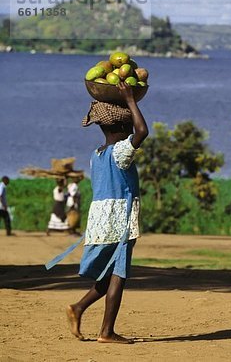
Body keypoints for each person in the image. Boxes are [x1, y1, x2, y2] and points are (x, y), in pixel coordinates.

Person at [64, 82, 148, 344]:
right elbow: (143, 131)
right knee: (119, 275)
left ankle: (78, 308)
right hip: (119, 220)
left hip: (100, 219)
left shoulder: (97, 154)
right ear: (124, 129)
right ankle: (107, 332)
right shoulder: (121, 152)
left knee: (110, 274)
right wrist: (131, 99)